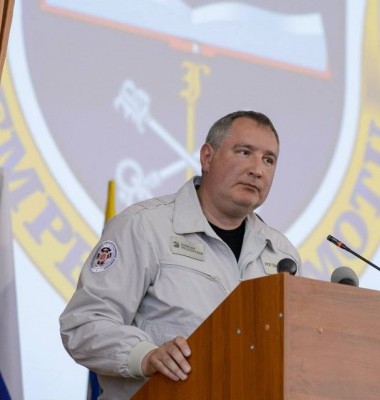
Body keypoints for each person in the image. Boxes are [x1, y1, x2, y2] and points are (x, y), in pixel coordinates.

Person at [59, 110, 302, 399]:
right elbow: (84, 323)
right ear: (207, 157)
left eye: (268, 160)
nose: (257, 169)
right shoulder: (144, 226)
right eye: (244, 152)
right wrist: (145, 356)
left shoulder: (283, 254)